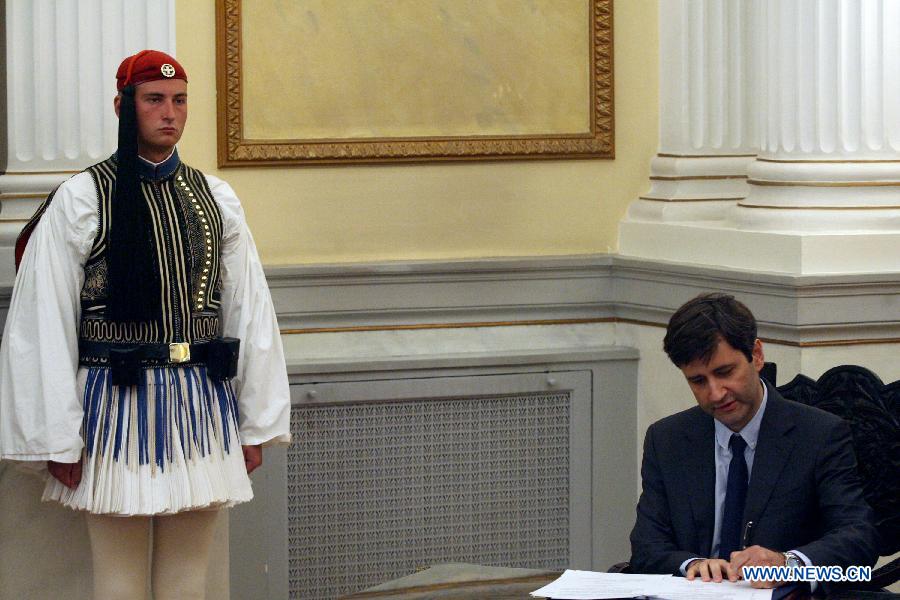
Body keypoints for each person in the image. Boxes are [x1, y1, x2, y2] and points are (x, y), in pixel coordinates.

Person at [0, 50, 290, 599]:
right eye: (154, 100)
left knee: (188, 578)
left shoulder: (215, 198)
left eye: (179, 101)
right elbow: (44, 317)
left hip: (203, 402)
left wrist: (256, 424)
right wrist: (58, 437)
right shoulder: (83, 197)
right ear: (123, 106)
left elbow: (250, 310)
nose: (170, 113)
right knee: (118, 580)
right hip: (113, 406)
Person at [629, 293, 877, 590]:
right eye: (698, 381)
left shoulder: (820, 435)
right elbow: (646, 547)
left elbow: (858, 540)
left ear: (756, 355)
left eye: (725, 372)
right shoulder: (667, 439)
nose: (715, 393)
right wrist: (692, 565)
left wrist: (789, 564)